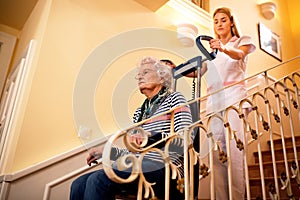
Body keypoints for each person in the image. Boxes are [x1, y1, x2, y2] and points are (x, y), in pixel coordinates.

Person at [70, 56, 194, 200]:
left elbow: (186, 138)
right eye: (139, 75)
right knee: (78, 184)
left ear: (162, 78)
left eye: (146, 72)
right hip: (138, 164)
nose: (140, 77)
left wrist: (152, 137)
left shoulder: (175, 99)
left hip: (164, 167)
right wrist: (108, 152)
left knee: (97, 180)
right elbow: (134, 152)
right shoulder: (139, 112)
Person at [204, 7, 256, 200]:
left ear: (231, 22)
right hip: (213, 106)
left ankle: (237, 197)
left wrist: (222, 47)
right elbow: (198, 71)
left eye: (223, 20)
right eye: (216, 21)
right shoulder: (212, 52)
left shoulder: (242, 41)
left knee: (234, 154)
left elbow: (239, 54)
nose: (219, 24)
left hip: (234, 101)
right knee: (217, 157)